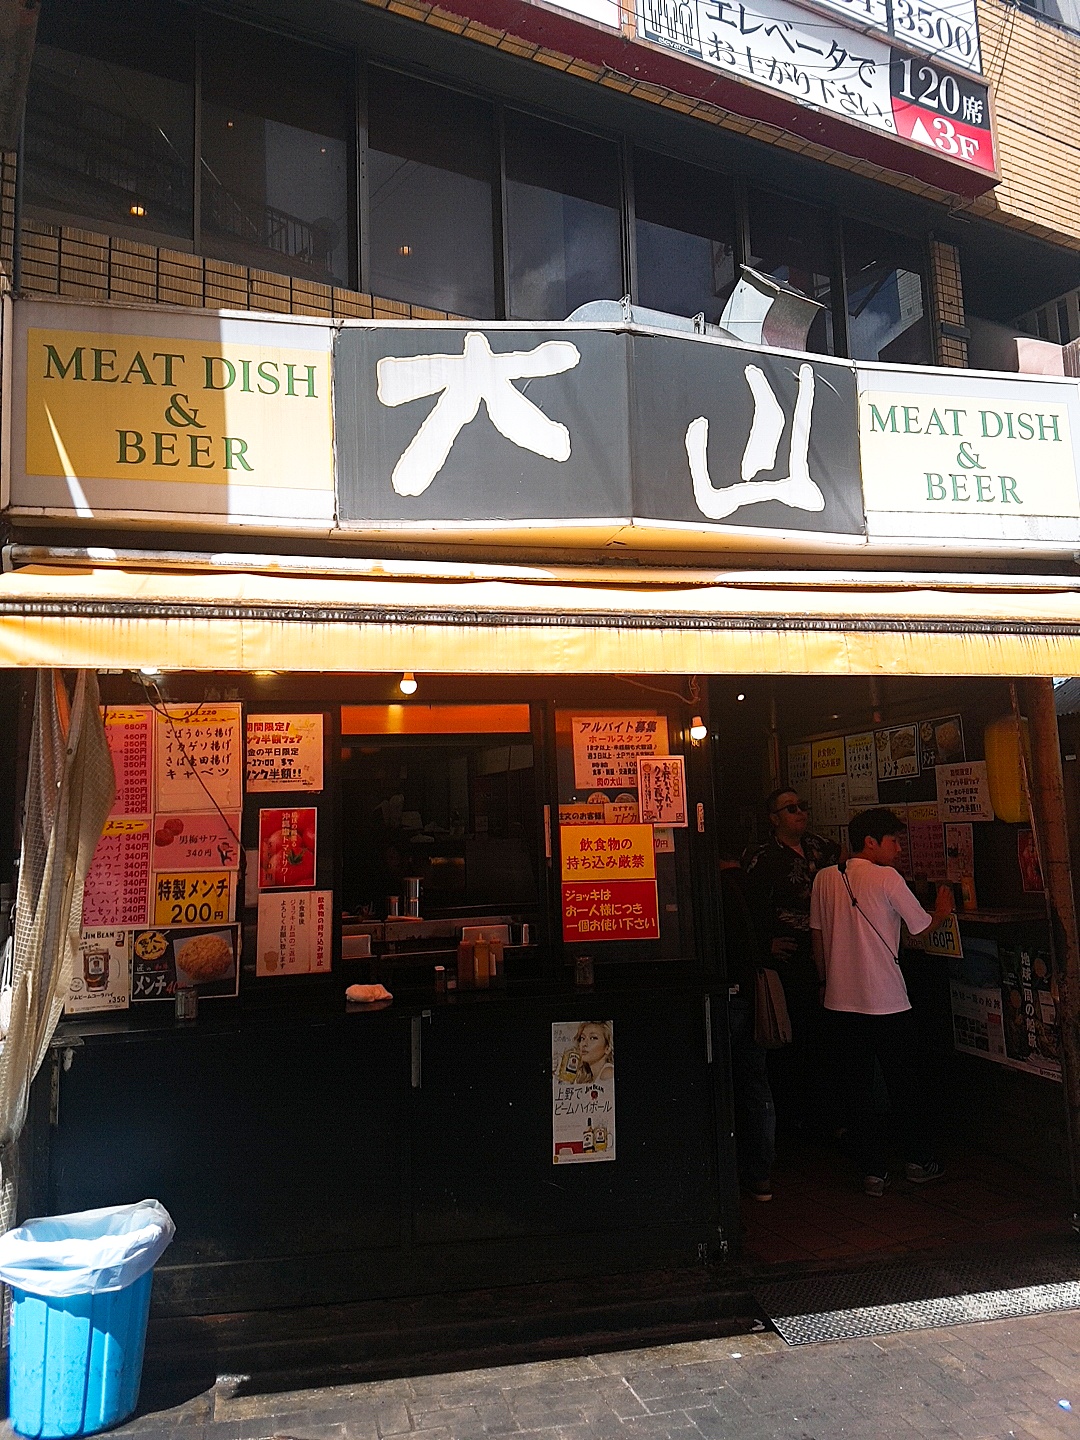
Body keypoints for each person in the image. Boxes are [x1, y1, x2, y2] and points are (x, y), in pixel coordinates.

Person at [810, 807, 956, 1197]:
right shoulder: (887, 877)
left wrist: (824, 982)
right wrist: (943, 911)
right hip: (888, 1000)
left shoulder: (824, 879)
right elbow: (921, 928)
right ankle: (918, 1161)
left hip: (839, 1002)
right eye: (893, 841)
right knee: (904, 1082)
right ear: (870, 842)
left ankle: (873, 1171)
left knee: (857, 1088)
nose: (899, 849)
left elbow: (817, 939)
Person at [742, 788, 838, 1135]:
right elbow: (751, 907)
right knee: (791, 1033)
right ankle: (793, 1118)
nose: (800, 813)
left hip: (827, 949)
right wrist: (765, 944)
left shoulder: (822, 848)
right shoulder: (762, 857)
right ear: (774, 818)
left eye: (802, 806)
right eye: (790, 808)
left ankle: (824, 1116)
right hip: (790, 954)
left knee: (824, 1033)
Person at [719, 834, 776, 1201]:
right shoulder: (757, 886)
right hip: (754, 994)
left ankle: (724, 1174)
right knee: (755, 1084)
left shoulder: (711, 889)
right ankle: (760, 1174)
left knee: (719, 1082)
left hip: (725, 995)